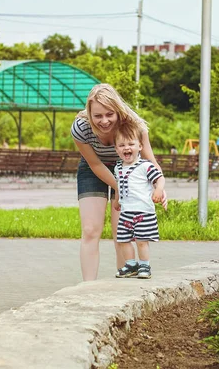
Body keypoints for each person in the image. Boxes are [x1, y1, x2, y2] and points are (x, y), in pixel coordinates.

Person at [71, 83, 166, 281]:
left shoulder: (134, 124)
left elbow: (149, 159)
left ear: (118, 111)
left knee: (121, 233)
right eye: (97, 116)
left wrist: (159, 185)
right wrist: (121, 188)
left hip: (128, 167)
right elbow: (95, 164)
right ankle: (88, 287)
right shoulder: (80, 128)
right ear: (89, 113)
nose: (104, 121)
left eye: (109, 115)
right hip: (93, 169)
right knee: (90, 230)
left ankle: (123, 289)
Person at [112, 122, 165, 279]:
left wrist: (158, 190)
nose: (126, 148)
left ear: (140, 146)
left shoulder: (145, 166)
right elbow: (119, 186)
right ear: (116, 149)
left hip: (143, 211)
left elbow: (160, 178)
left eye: (131, 144)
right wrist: (117, 200)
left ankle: (144, 265)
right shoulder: (118, 167)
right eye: (121, 145)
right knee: (122, 239)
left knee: (141, 241)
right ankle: (131, 264)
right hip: (126, 211)